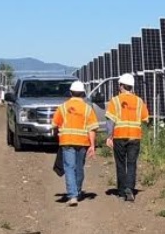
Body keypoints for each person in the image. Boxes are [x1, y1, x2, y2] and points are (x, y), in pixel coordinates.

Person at [51, 80, 98, 205]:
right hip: (83, 142)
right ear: (83, 93)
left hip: (67, 141)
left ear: (71, 92)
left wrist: (57, 134)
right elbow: (92, 128)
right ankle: (77, 190)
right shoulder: (88, 109)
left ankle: (73, 195)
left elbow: (54, 124)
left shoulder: (63, 107)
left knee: (69, 167)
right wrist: (92, 145)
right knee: (79, 167)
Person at [104, 73, 150, 202]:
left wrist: (109, 136)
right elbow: (146, 119)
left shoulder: (115, 100)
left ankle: (121, 191)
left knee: (120, 163)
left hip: (119, 136)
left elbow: (110, 121)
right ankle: (130, 188)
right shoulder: (139, 101)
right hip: (135, 136)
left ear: (122, 86)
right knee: (131, 163)